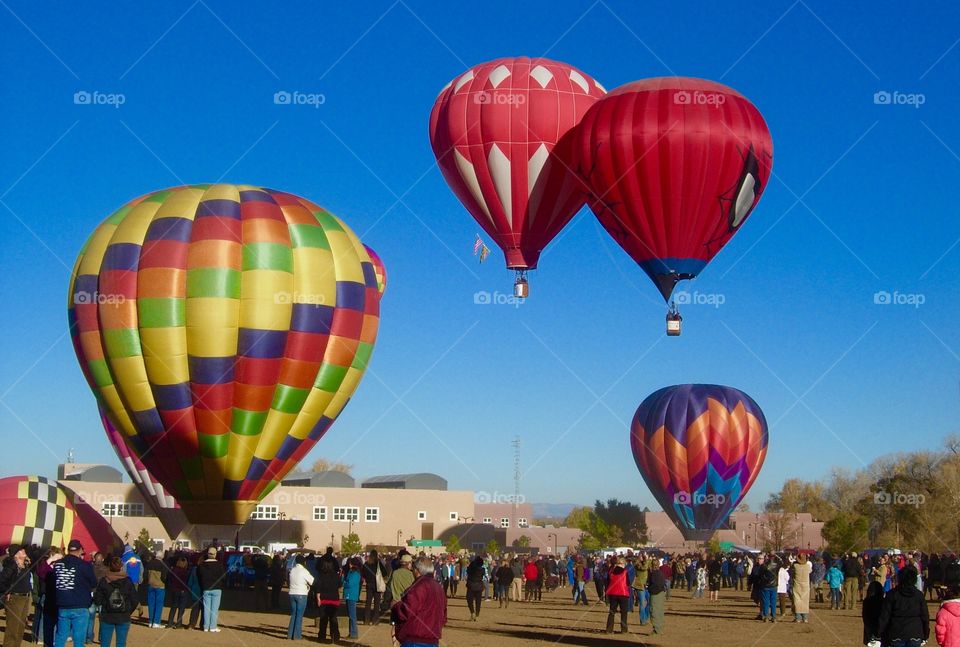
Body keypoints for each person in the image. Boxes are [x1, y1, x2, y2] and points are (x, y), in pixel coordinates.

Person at [391, 557, 446, 647]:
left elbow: (407, 611)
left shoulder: (419, 587)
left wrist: (395, 606)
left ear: (417, 571)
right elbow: (443, 616)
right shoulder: (438, 587)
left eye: (413, 569)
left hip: (415, 640)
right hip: (432, 640)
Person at [52, 540, 97, 647]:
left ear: (68, 550)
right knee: (79, 638)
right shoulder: (84, 565)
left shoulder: (58, 565)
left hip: (63, 604)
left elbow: (53, 580)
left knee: (61, 635)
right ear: (80, 550)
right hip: (80, 605)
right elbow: (94, 582)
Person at [878, 566, 929, 647]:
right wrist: (926, 633)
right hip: (915, 632)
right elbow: (925, 616)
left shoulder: (892, 594)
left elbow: (885, 616)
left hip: (896, 632)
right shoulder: (919, 595)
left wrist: (880, 633)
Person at [93, 557, 137, 647]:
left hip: (107, 615)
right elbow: (135, 600)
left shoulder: (104, 581)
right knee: (121, 643)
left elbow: (97, 600)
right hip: (123, 616)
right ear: (121, 567)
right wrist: (128, 611)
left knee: (105, 643)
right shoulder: (127, 581)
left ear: (109, 566)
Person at [1, 545, 33, 647]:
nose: (24, 551)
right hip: (15, 598)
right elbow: (2, 580)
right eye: (21, 550)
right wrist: (7, 591)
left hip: (25, 597)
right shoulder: (12, 565)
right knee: (13, 629)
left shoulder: (24, 564)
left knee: (20, 628)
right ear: (16, 554)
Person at [36, 547, 63, 645]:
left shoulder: (61, 568)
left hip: (60, 601)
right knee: (48, 625)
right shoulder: (47, 568)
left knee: (59, 626)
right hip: (49, 599)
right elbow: (40, 572)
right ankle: (44, 640)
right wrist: (50, 560)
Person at [196, 547, 224, 632]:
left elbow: (199, 577)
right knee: (214, 609)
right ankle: (212, 627)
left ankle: (205, 626)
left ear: (207, 554)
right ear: (215, 555)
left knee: (206, 608)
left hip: (206, 588)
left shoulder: (201, 565)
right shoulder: (220, 565)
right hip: (217, 589)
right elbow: (223, 577)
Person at [287, 554, 314, 640]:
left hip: (292, 593)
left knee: (294, 614)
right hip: (301, 594)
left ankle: (290, 634)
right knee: (299, 615)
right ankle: (297, 635)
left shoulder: (292, 570)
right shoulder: (304, 571)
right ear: (304, 562)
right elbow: (312, 581)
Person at [314, 558, 341, 644]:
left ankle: (322, 636)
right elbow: (339, 585)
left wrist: (318, 599)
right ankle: (335, 636)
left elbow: (318, 589)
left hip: (324, 600)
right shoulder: (336, 576)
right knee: (333, 619)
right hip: (334, 600)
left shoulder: (321, 576)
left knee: (323, 620)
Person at [605, 557, 629, 634]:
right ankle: (624, 629)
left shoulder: (611, 571)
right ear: (622, 564)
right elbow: (628, 583)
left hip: (612, 593)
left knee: (612, 612)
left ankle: (609, 629)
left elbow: (608, 582)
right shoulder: (625, 572)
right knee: (624, 612)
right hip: (623, 593)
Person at [361, 550, 386, 625]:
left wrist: (367, 578)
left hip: (369, 584)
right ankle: (375, 619)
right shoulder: (378, 564)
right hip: (377, 584)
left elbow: (363, 573)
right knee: (377, 603)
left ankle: (366, 619)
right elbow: (385, 573)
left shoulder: (366, 564)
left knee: (368, 602)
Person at [143, 552, 166, 629]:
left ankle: (150, 622)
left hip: (150, 585)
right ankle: (156, 622)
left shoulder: (149, 563)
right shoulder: (163, 565)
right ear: (162, 557)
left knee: (151, 604)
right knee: (159, 604)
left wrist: (147, 581)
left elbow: (145, 574)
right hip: (160, 586)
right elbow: (164, 577)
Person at [165, 556, 189, 629]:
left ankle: (170, 622)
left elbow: (169, 580)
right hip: (182, 591)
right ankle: (178, 623)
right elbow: (186, 582)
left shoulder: (173, 570)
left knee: (173, 607)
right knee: (181, 608)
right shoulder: (185, 572)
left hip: (174, 590)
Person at [342, 558, 362, 639]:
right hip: (348, 595)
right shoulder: (351, 572)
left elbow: (349, 584)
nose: (349, 565)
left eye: (350, 563)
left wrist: (344, 582)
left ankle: (354, 633)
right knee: (350, 615)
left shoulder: (355, 574)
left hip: (351, 595)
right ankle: (351, 632)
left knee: (352, 615)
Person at [647, 558, 666, 635]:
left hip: (655, 594)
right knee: (660, 611)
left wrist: (649, 589)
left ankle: (656, 629)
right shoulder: (660, 573)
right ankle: (659, 628)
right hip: (661, 593)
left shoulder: (654, 574)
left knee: (654, 611)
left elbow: (655, 585)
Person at [862, 581, 885, 646]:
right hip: (881, 630)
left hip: (869, 628)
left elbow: (865, 617)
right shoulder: (883, 601)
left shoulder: (867, 601)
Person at [792, 553, 812, 623]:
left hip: (797, 585)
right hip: (806, 585)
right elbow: (810, 571)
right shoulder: (808, 566)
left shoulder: (795, 566)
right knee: (805, 601)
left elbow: (791, 573)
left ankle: (798, 618)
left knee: (797, 601)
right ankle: (805, 618)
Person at [465, 556, 485, 620]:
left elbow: (468, 571)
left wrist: (471, 564)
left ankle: (472, 612)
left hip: (471, 586)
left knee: (469, 600)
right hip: (479, 586)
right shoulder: (482, 570)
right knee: (478, 602)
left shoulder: (471, 569)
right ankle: (477, 614)